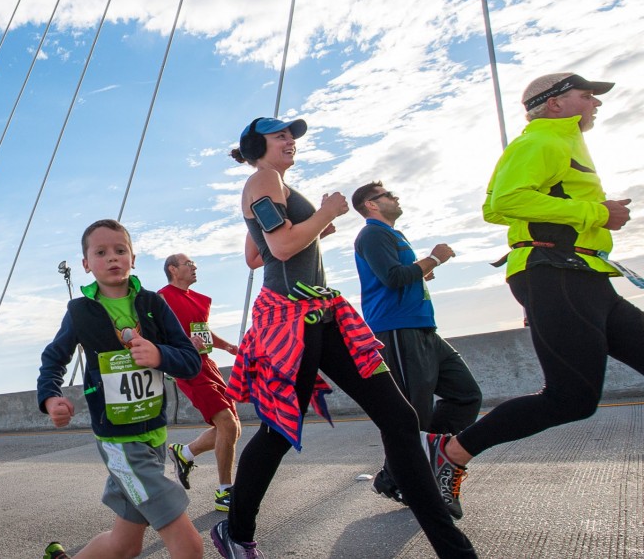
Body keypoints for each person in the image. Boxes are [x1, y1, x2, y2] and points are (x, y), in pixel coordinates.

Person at [214, 117, 475, 559]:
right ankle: (235, 532)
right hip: (291, 321)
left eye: (292, 136)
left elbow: (254, 254)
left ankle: (454, 550)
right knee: (278, 431)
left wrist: (314, 227)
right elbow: (277, 249)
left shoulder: (273, 185)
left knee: (399, 417)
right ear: (259, 144)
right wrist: (326, 213)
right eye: (280, 136)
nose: (289, 141)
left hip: (322, 314)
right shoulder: (263, 178)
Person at [426, 73, 642, 519]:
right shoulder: (542, 140)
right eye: (587, 95)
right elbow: (501, 202)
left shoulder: (567, 143)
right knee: (571, 399)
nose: (596, 103)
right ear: (557, 103)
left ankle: (449, 451)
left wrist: (593, 217)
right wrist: (596, 211)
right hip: (554, 273)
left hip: (586, 273)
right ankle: (452, 451)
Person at [37, 219, 203, 559]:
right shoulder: (81, 311)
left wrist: (159, 355)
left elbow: (190, 360)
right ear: (86, 264)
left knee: (124, 545)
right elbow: (54, 359)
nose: (112, 258)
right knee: (187, 541)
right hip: (119, 442)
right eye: (101, 252)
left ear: (133, 257)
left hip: (156, 436)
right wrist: (51, 396)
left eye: (120, 250)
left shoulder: (153, 304)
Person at [351, 182, 482, 511]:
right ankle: (408, 481)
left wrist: (423, 270)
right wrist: (434, 258)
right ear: (371, 204)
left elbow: (402, 276)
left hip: (422, 327)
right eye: (387, 194)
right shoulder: (372, 234)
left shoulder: (393, 235)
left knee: (466, 395)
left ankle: (406, 465)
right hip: (397, 329)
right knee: (413, 414)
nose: (395, 196)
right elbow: (393, 278)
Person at [158, 253, 241, 512]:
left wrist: (226, 345)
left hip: (208, 365)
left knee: (233, 428)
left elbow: (201, 329)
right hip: (188, 367)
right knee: (226, 422)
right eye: (188, 264)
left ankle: (185, 453)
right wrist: (182, 346)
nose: (194, 267)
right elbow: (156, 333)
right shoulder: (162, 298)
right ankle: (225, 492)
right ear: (173, 269)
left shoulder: (197, 299)